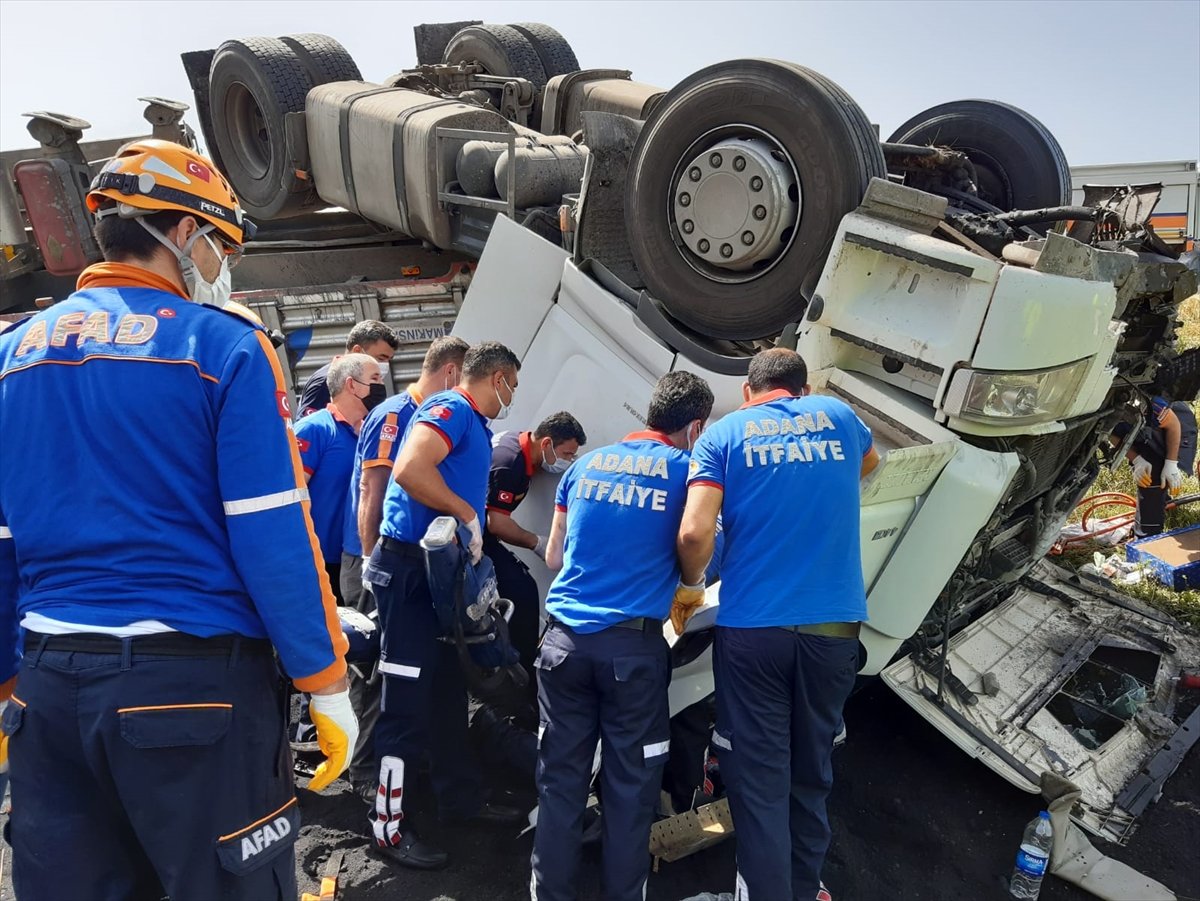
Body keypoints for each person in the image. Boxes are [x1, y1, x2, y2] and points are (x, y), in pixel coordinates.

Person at [0, 140, 356, 900]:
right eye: (220, 243)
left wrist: (6, 683)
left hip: (49, 693)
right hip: (190, 695)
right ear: (184, 233)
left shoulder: (10, 354)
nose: (220, 262)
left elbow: (0, 544)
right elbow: (272, 535)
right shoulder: (221, 347)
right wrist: (325, 681)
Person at [677, 348, 879, 901]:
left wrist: (691, 587)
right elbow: (870, 464)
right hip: (834, 632)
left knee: (761, 783)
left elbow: (695, 535)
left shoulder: (725, 436)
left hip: (755, 634)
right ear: (801, 388)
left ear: (749, 390)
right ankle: (804, 887)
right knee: (811, 776)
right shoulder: (838, 417)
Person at [531, 371, 714, 901]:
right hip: (631, 655)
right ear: (694, 426)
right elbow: (698, 545)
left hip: (562, 646)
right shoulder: (690, 473)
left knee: (560, 785)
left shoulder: (584, 465)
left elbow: (555, 557)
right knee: (630, 791)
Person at [364, 340, 525, 870]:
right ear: (496, 377)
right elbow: (410, 469)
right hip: (409, 571)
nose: (512, 398)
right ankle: (386, 828)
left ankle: (460, 800)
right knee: (405, 703)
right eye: (512, 387)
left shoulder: (474, 424)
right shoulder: (451, 409)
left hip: (438, 572)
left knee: (450, 691)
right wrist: (466, 513)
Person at [342, 335, 469, 800]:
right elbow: (372, 493)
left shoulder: (436, 417)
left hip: (420, 566)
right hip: (377, 559)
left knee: (425, 680)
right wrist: (378, 564)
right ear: (452, 373)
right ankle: (367, 778)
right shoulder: (396, 414)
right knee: (379, 679)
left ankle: (427, 782)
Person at [486, 411, 587, 677]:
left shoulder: (513, 443)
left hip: (475, 535)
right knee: (521, 590)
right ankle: (521, 671)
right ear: (546, 444)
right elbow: (496, 522)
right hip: (473, 540)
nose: (569, 461)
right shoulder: (511, 464)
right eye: (567, 454)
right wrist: (537, 543)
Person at [296, 352, 386, 597]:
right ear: (352, 385)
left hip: (358, 557)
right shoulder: (314, 429)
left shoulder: (370, 433)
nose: (381, 386)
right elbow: (292, 497)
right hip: (322, 563)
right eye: (375, 378)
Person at [1113, 395, 1197, 537]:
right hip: (1140, 429)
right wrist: (1137, 460)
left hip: (1177, 425)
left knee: (1154, 471)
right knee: (1148, 469)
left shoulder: (1151, 405)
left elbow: (1173, 425)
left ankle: (1147, 534)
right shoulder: (1097, 410)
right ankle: (1157, 508)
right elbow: (1109, 435)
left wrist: (1171, 463)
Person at [298, 320, 399, 418]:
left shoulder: (367, 381)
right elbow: (307, 430)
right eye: (381, 358)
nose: (384, 364)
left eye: (388, 360)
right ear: (357, 351)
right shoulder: (324, 383)